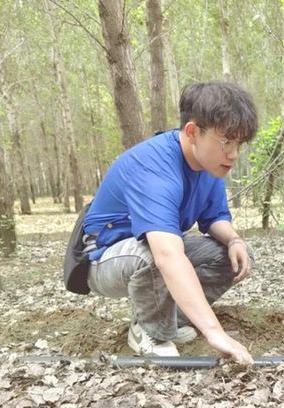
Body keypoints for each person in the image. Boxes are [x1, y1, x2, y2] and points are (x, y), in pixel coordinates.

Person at [82, 81, 257, 363]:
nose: (234, 154)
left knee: (236, 255)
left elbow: (213, 218)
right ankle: (148, 330)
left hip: (154, 246)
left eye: (240, 143)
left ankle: (168, 319)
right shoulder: (154, 166)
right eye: (226, 141)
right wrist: (215, 332)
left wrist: (235, 240)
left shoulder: (209, 165)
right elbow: (167, 254)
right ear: (192, 132)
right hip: (104, 257)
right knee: (155, 256)